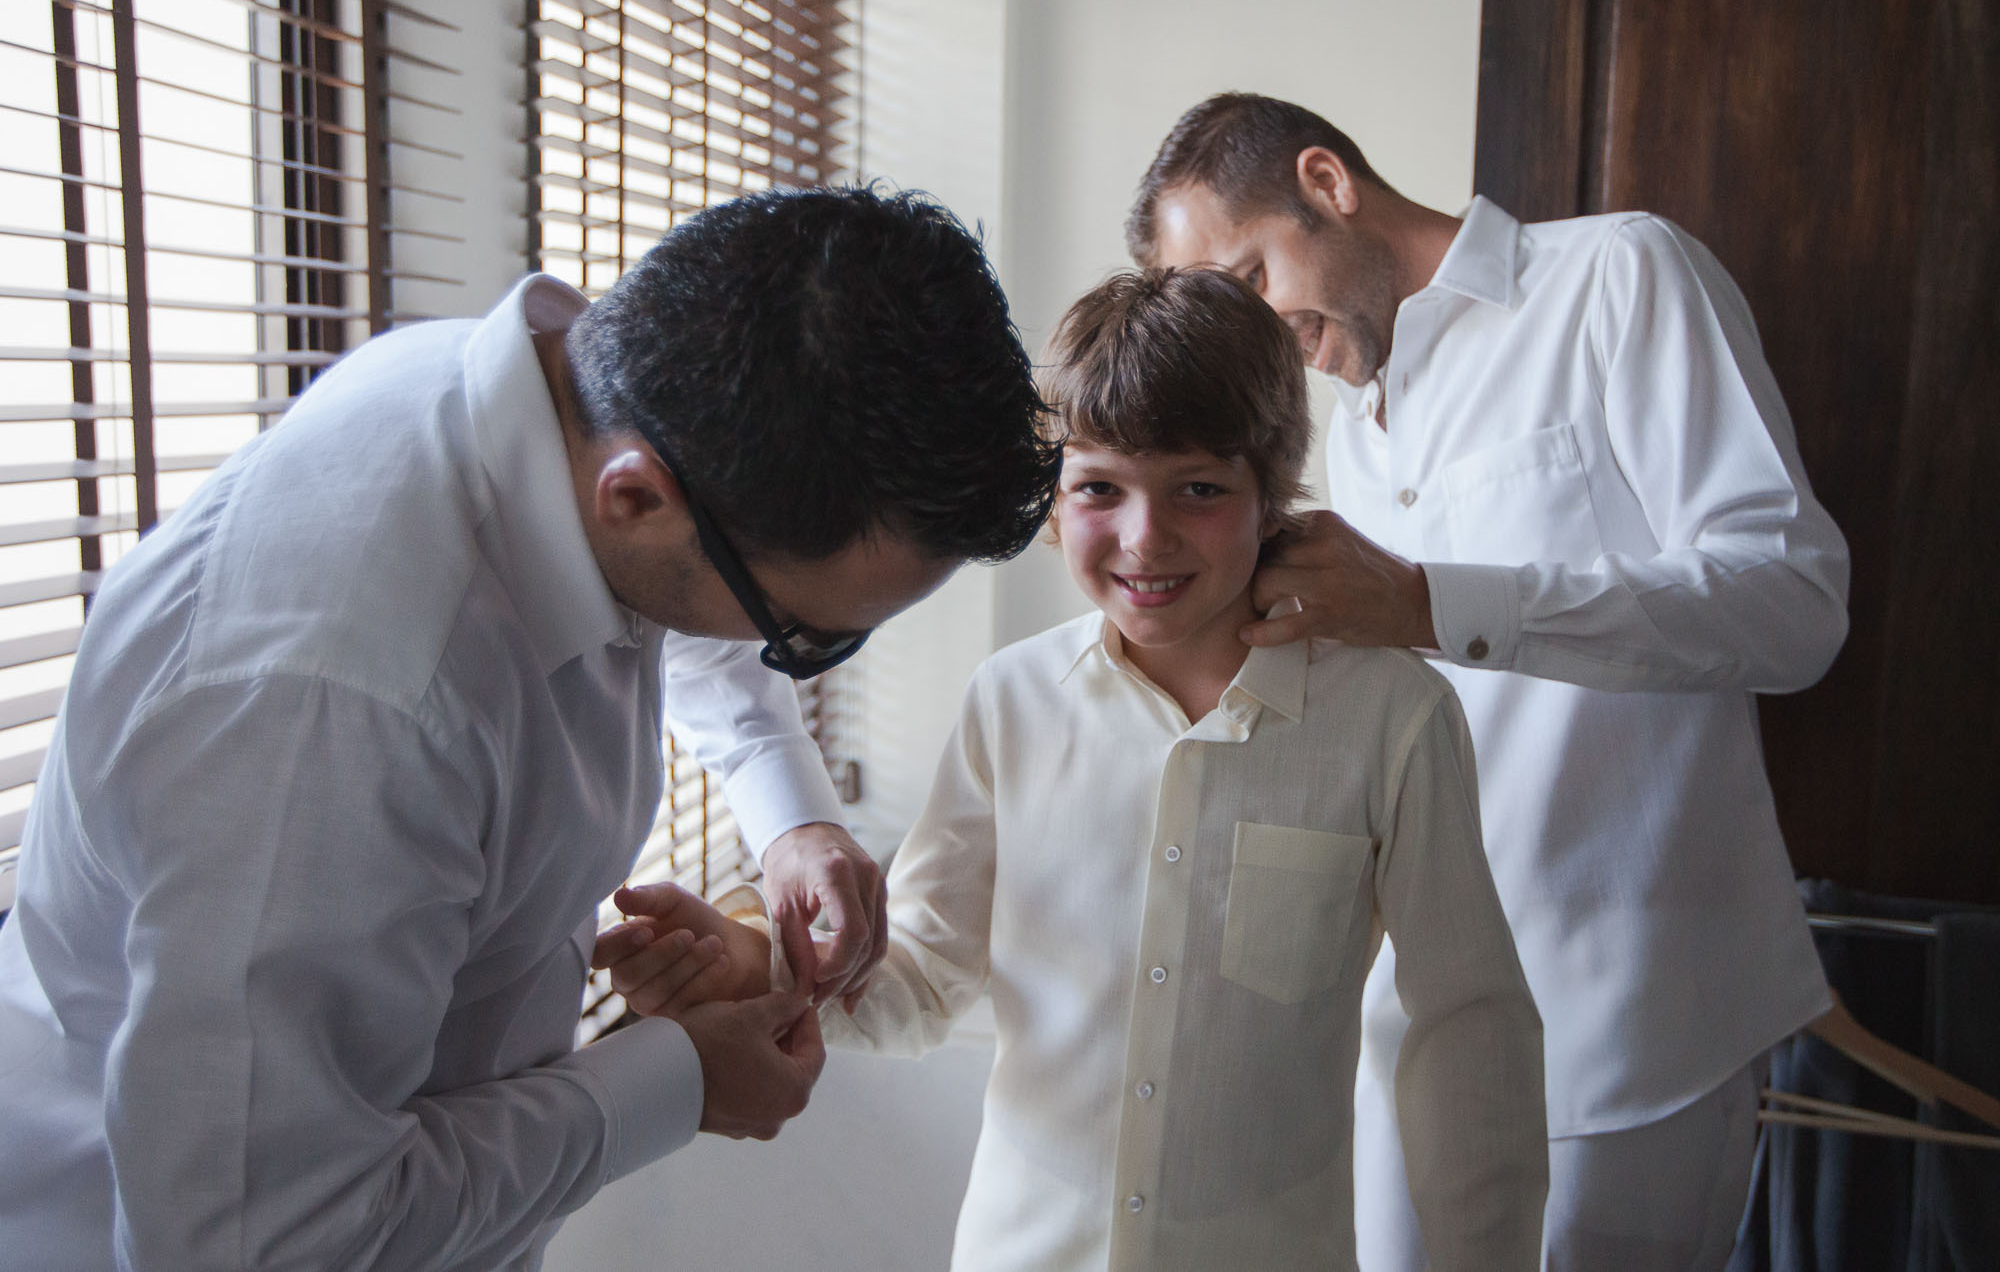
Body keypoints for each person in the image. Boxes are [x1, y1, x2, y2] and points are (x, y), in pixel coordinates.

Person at [0, 186, 1062, 1271]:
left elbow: (684, 606)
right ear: (634, 498)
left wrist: (793, 818)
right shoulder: (338, 715)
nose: (789, 654)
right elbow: (257, 1242)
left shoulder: (567, 410)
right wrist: (674, 1082)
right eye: (802, 634)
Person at [598, 267, 1548, 1270]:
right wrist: (757, 964)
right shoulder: (1009, 703)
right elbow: (916, 981)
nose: (1145, 538)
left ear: (1270, 494)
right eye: (1098, 488)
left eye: (1198, 489)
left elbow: (1465, 1041)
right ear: (1051, 504)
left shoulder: (1390, 716)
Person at [1124, 93, 1852, 1269]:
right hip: (1403, 1026)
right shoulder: (1348, 440)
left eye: (1249, 280)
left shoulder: (1618, 279)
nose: (1259, 341)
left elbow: (1791, 602)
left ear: (1326, 182)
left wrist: (1429, 603)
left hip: (1628, 1016)